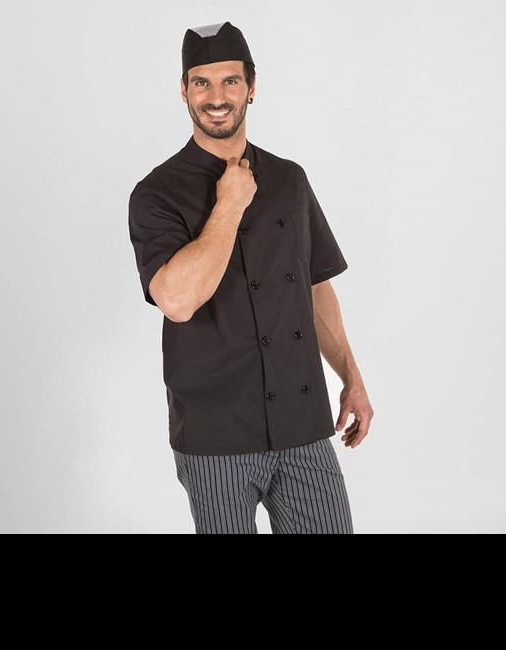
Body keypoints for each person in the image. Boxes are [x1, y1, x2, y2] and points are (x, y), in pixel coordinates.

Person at [128, 21, 374, 534]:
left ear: (252, 86)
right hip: (215, 435)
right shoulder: (155, 193)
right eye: (202, 82)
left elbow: (314, 285)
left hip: (303, 426)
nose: (216, 97)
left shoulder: (289, 178)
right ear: (184, 90)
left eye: (230, 81)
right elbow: (176, 300)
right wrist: (230, 205)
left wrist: (351, 376)